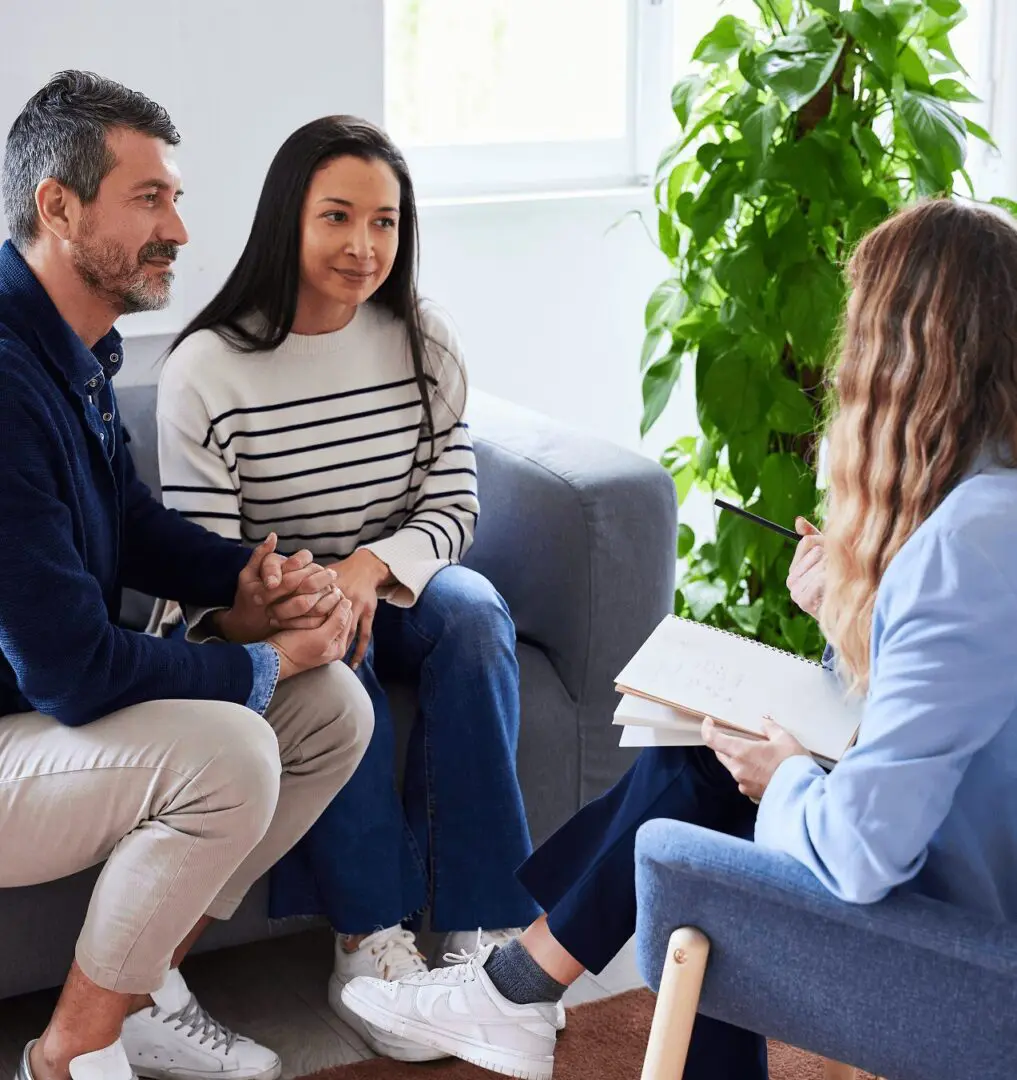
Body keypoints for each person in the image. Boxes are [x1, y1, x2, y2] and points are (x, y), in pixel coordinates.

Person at [340, 198, 1017, 1079]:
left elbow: (861, 853)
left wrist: (787, 779)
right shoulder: (986, 514)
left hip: (962, 966)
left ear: (903, 359)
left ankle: (510, 991)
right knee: (692, 765)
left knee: (684, 855)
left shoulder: (962, 548)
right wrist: (848, 613)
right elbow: (956, 720)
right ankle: (510, 989)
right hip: (978, 897)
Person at [0, 72, 375, 1080]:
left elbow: (127, 522)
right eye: (149, 198)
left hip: (37, 717)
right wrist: (258, 657)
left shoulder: (69, 350)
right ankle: (70, 1054)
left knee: (331, 705)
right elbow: (72, 673)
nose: (177, 228)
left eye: (175, 197)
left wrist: (258, 581)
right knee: (233, 751)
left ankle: (141, 992)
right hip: (17, 726)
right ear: (59, 207)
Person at [156, 114, 542, 1061]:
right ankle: (368, 942)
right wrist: (310, 597)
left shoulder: (423, 340)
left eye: (386, 222)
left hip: (392, 583)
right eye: (338, 216)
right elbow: (201, 559)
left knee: (480, 617)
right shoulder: (206, 369)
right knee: (336, 663)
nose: (364, 246)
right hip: (268, 607)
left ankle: (481, 929)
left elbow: (453, 504)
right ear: (289, 218)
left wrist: (369, 570)